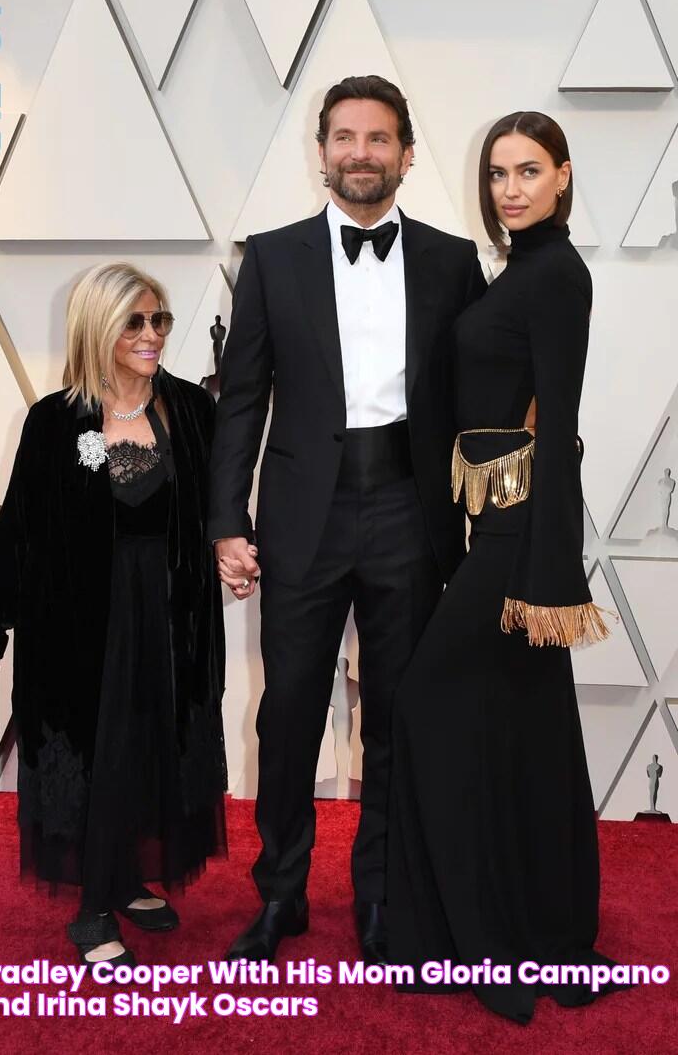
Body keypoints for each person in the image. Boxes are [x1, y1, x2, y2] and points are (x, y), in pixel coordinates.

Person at [209, 75, 486, 964]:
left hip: (412, 508)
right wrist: (225, 520)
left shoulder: (451, 261)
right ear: (321, 151)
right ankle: (282, 894)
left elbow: (481, 399)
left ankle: (384, 897)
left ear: (407, 154)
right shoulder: (274, 257)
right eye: (343, 137)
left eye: (377, 139)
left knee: (398, 717)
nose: (359, 152)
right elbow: (242, 400)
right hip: (302, 514)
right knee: (287, 711)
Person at [387, 112, 622, 1024]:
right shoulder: (517, 271)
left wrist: (550, 574)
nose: (511, 188)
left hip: (523, 537)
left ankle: (483, 939)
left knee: (428, 703)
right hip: (493, 526)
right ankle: (531, 929)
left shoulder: (559, 275)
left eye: (530, 171)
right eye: (497, 173)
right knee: (526, 729)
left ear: (564, 177)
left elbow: (556, 427)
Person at [0, 263, 226, 970]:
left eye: (159, 320)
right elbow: (21, 526)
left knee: (153, 750)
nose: (152, 335)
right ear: (99, 328)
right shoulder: (58, 420)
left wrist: (239, 555)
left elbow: (219, 512)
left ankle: (128, 876)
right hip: (83, 627)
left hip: (173, 621)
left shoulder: (191, 411)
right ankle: (92, 910)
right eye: (135, 322)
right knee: (101, 753)